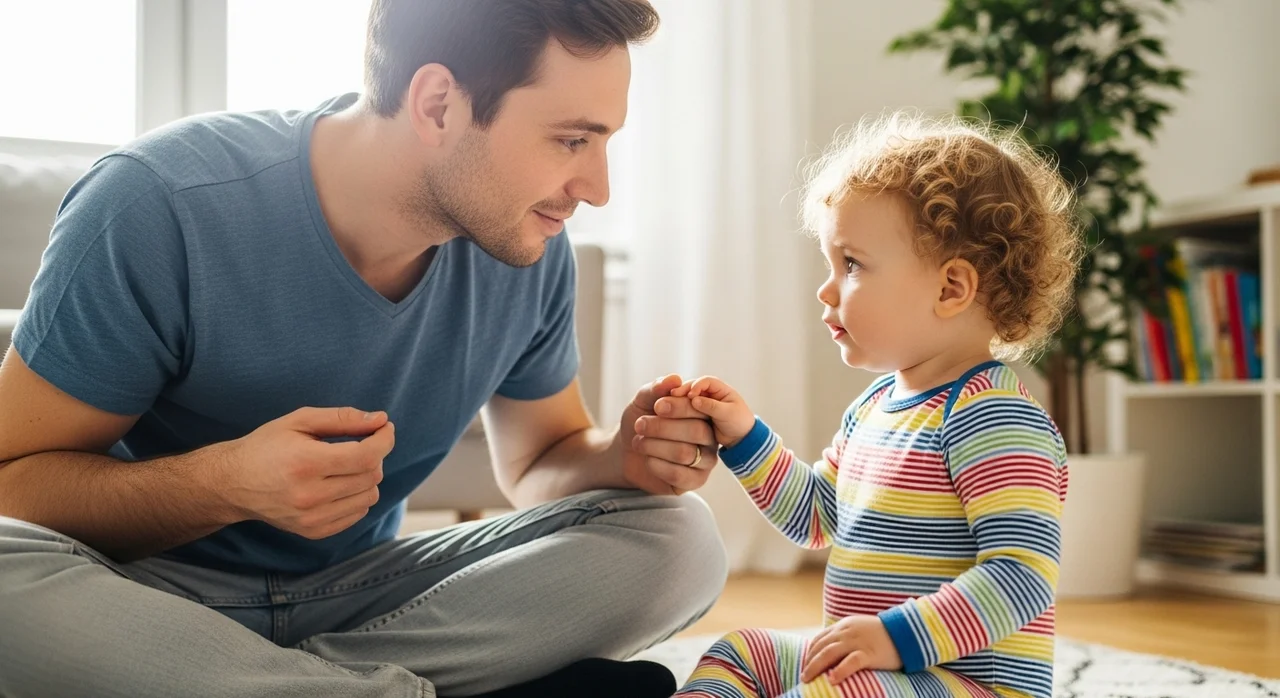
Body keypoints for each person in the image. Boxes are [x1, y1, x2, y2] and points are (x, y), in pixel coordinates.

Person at [0, 1, 728, 696]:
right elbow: (11, 487)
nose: (596, 189)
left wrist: (619, 459)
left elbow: (541, 459)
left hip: (367, 599)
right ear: (438, 103)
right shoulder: (157, 204)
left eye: (604, 142)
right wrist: (222, 484)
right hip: (138, 595)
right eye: (573, 140)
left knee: (680, 539)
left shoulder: (524, 248)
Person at [669, 112, 1081, 698]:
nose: (826, 288)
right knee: (741, 652)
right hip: (882, 672)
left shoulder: (995, 418)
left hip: (967, 683)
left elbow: (1021, 578)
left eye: (852, 264)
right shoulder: (875, 408)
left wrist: (896, 638)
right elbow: (818, 518)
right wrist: (744, 437)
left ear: (950, 288)